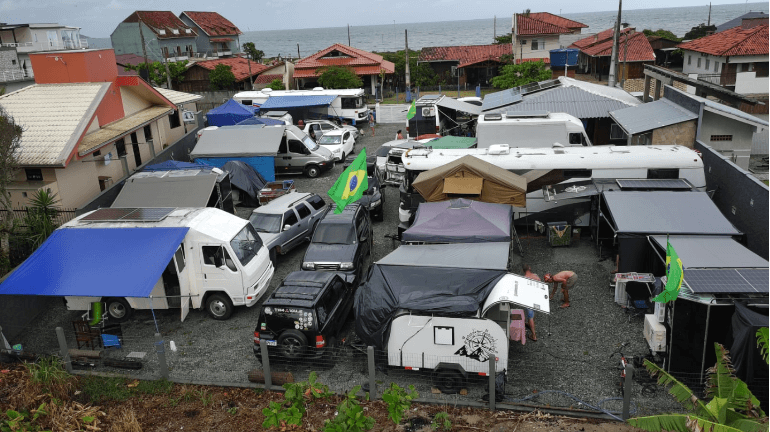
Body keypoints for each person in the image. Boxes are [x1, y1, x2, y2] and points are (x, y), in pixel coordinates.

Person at [522, 264, 540, 341]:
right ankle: (530, 324)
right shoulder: (536, 276)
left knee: (530, 317)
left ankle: (534, 335)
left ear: (523, 270)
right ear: (530, 268)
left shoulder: (524, 279)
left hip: (529, 299)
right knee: (533, 313)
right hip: (537, 297)